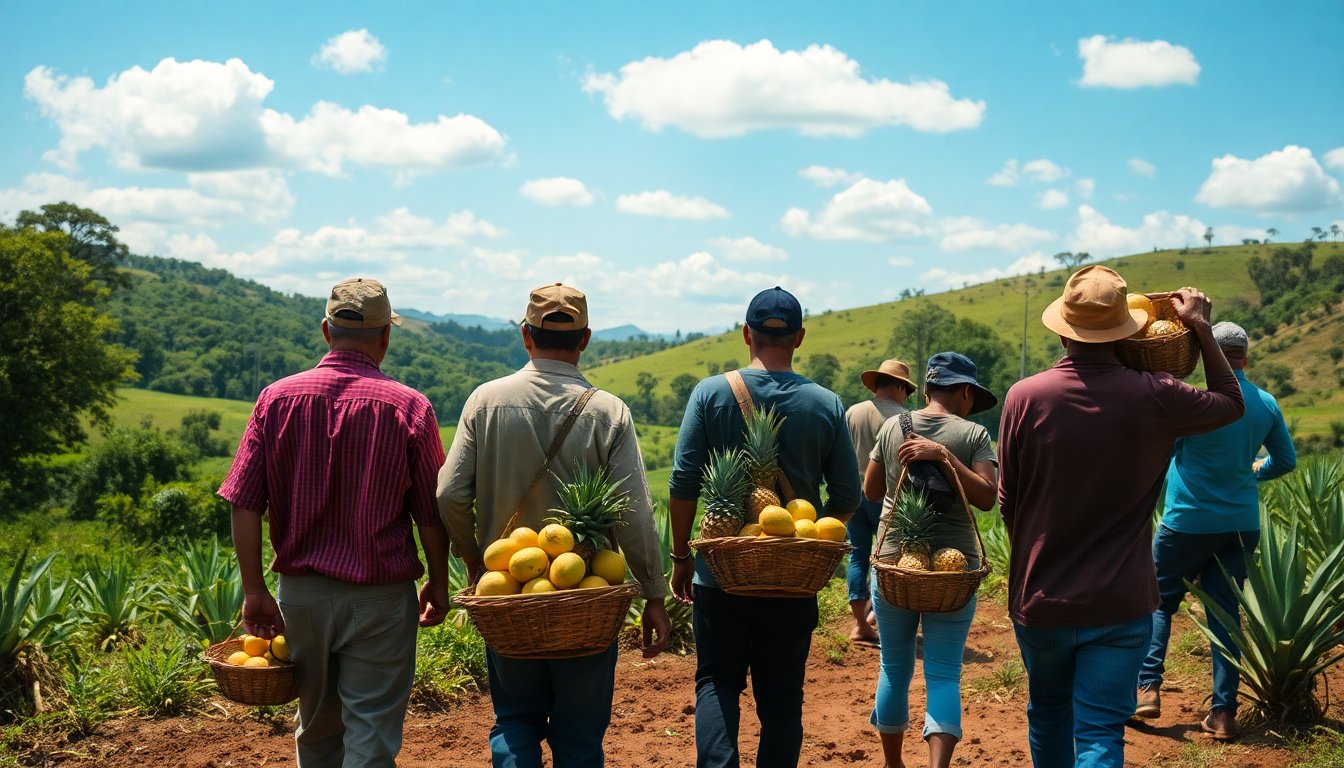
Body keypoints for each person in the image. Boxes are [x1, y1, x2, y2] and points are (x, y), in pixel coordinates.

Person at [996, 266, 1245, 767]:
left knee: (1047, 713)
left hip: (1041, 596)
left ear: (1063, 327)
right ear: (1126, 331)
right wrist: (1199, 327)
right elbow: (1231, 402)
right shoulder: (1156, 394)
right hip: (1120, 601)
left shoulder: (1025, 396)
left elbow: (1008, 502)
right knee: (1100, 731)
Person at [219, 277, 451, 768]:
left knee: (317, 726)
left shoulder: (276, 400)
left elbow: (243, 501)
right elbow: (432, 511)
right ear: (386, 336)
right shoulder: (410, 407)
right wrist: (437, 578)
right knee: (370, 730)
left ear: (326, 331)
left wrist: (255, 589)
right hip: (381, 598)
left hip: (300, 596)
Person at [436, 283, 671, 768]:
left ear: (526, 335)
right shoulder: (609, 411)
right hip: (586, 598)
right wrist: (653, 592)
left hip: (509, 596)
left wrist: (474, 559)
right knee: (580, 737)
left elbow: (448, 493)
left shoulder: (485, 400)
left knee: (515, 720)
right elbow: (634, 512)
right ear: (585, 339)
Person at [668, 286, 862, 768]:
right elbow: (848, 498)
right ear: (798, 337)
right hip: (793, 582)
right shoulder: (825, 403)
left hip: (720, 571)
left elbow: (684, 482)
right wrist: (806, 544)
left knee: (716, 681)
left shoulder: (711, 393)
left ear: (745, 334)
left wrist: (680, 556)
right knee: (781, 699)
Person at [1134, 321, 1297, 740]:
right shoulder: (1266, 403)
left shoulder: (1194, 402)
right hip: (1241, 525)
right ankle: (1223, 714)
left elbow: (1160, 452)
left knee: (1158, 602)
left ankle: (1147, 690)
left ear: (1208, 354)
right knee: (1225, 615)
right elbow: (1285, 460)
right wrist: (1251, 471)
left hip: (1187, 521)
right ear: (1246, 355)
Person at [864, 351, 999, 768]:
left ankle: (893, 764)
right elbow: (987, 498)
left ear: (925, 390)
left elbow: (871, 491)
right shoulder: (975, 435)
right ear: (964, 391)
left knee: (894, 667)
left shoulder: (892, 426)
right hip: (953, 571)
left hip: (892, 565)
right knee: (943, 674)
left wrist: (935, 455)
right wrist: (949, 458)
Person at [844, 359, 915, 647]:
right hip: (887, 498)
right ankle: (881, 621)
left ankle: (861, 624)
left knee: (858, 555)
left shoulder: (852, 412)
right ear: (899, 387)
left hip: (852, 496)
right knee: (886, 559)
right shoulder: (906, 419)